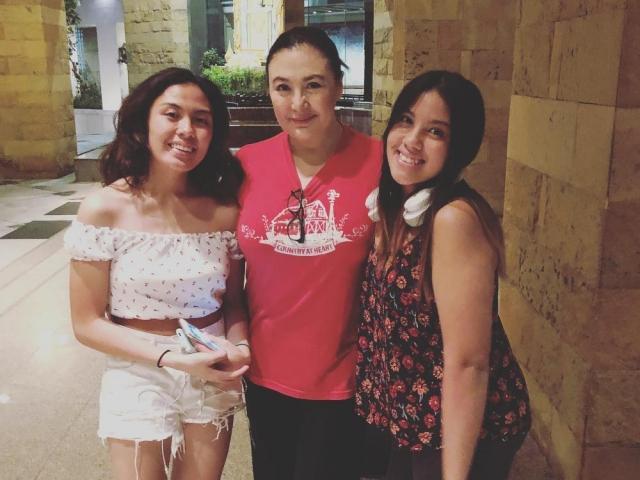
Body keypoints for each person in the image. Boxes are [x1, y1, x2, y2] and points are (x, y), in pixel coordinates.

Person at [64, 67, 250, 480]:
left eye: (201, 120)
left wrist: (240, 346)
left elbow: (235, 303)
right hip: (136, 368)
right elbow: (86, 322)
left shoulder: (224, 211)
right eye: (172, 114)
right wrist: (172, 359)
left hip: (211, 367)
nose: (186, 130)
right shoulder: (104, 209)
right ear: (143, 121)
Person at [355, 70, 531, 480]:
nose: (412, 141)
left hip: (458, 427)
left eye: (436, 131)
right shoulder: (399, 211)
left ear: (459, 147)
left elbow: (469, 363)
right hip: (413, 418)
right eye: (406, 120)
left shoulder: (452, 220)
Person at [235, 26, 382, 480]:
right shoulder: (246, 165)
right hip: (263, 373)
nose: (297, 103)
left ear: (338, 86)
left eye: (313, 85)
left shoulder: (380, 163)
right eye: (283, 88)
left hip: (344, 380)